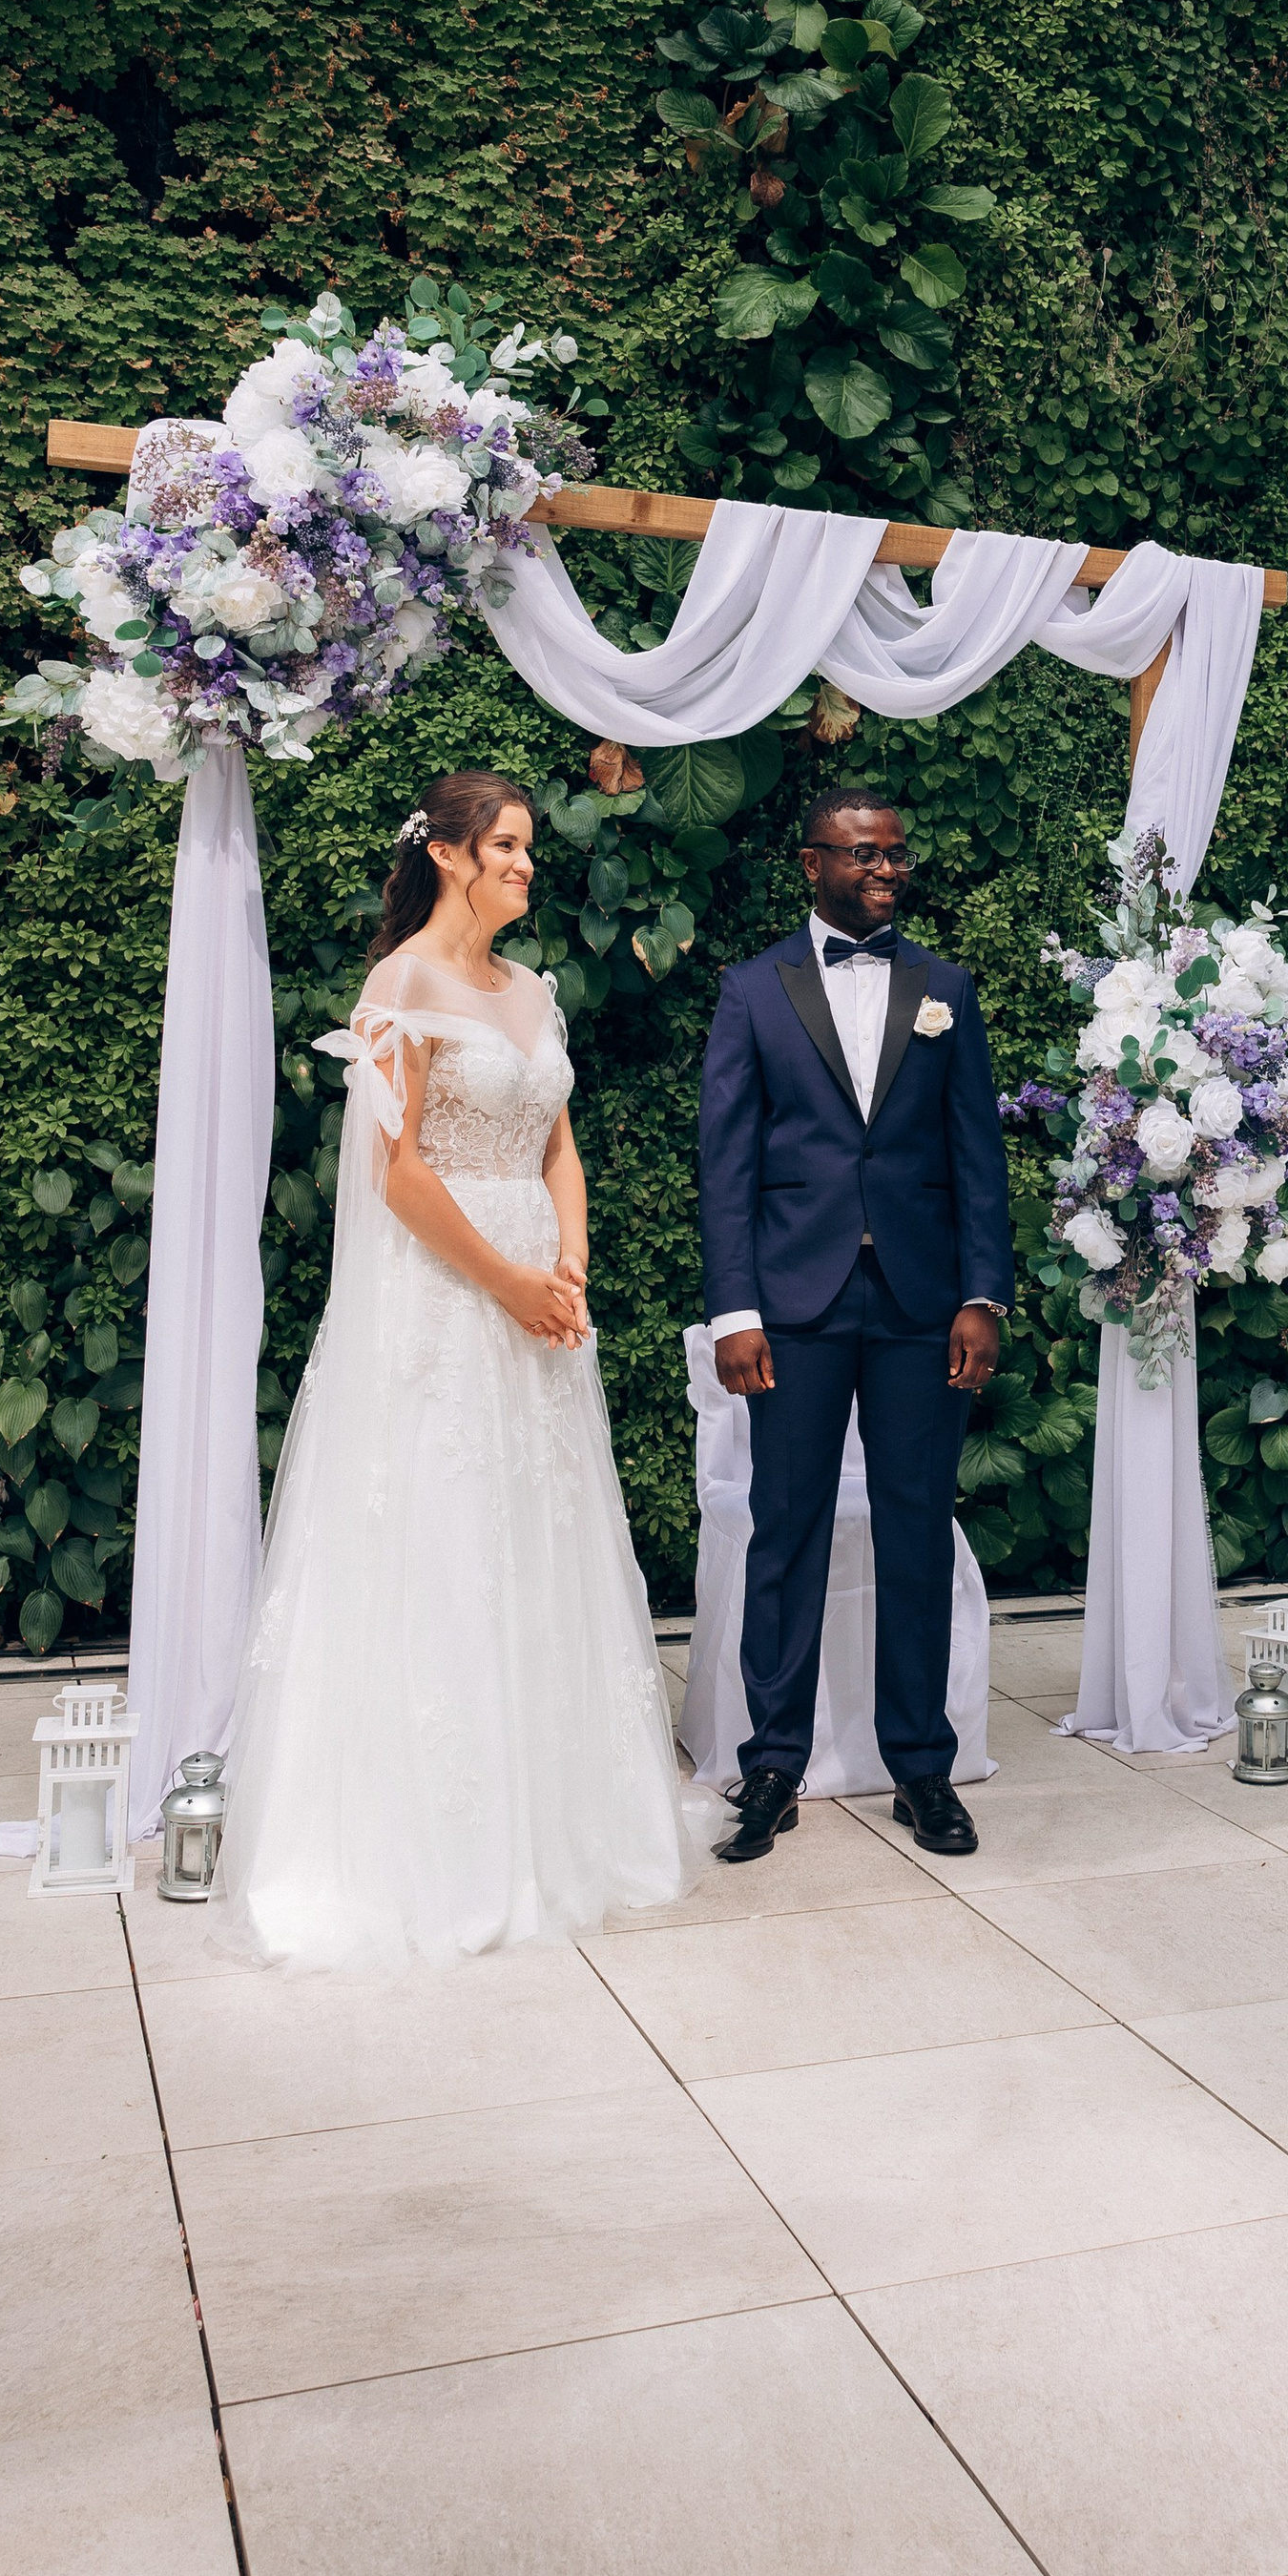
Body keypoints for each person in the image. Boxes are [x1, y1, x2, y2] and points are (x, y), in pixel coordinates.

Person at [215, 768, 693, 1969]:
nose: (528, 865)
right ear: (448, 854)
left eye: (530, 848)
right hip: (446, 1299)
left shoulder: (534, 990)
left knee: (541, 1542)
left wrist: (569, 1259)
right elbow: (399, 1176)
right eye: (511, 847)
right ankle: (437, 1849)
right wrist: (510, 1281)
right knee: (445, 1542)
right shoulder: (399, 989)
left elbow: (558, 1140)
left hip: (540, 1302)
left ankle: (561, 1825)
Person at [699, 783, 1012, 1863]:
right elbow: (726, 1163)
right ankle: (771, 1766)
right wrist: (734, 1310)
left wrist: (984, 1294)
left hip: (926, 1306)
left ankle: (921, 1767)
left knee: (918, 1529)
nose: (884, 871)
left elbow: (979, 1154)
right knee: (782, 1533)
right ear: (811, 864)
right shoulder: (752, 990)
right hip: (792, 1307)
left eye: (895, 855)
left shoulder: (944, 989)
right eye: (862, 856)